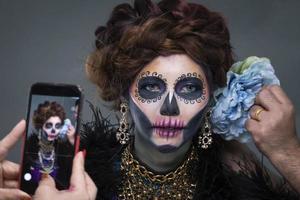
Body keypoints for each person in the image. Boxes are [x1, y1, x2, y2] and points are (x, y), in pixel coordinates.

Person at [0, 0, 299, 199]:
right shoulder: (71, 184)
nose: (170, 108)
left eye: (190, 89)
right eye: (152, 87)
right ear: (122, 96)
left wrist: (287, 154)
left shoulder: (239, 179)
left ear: (211, 98)